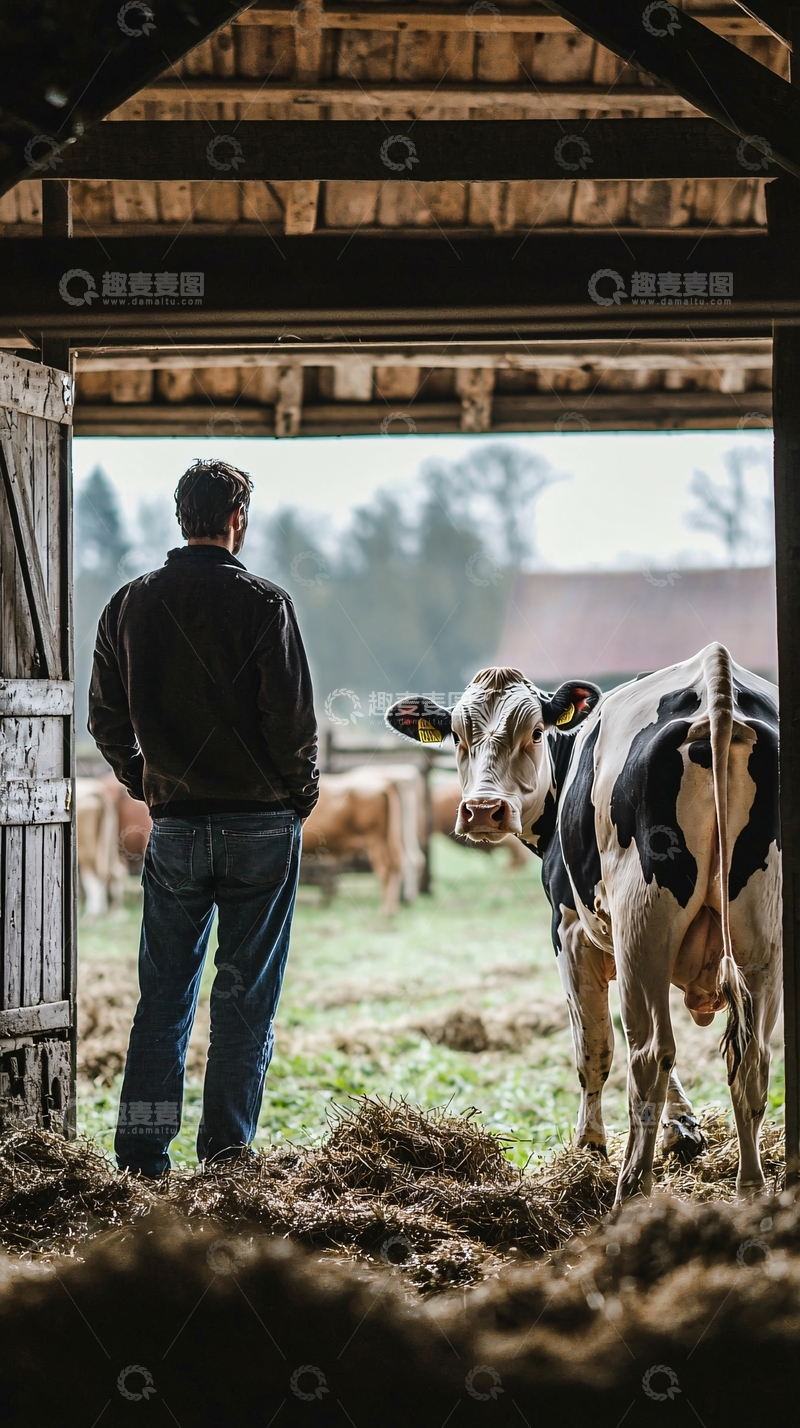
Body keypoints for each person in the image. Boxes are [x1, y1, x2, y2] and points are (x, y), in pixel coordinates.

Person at [88, 459, 318, 1176]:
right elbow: (293, 725)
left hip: (178, 827)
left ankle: (143, 1152)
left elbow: (103, 720)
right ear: (237, 520)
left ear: (180, 515)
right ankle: (224, 1155)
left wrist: (148, 784)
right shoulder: (266, 604)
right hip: (260, 825)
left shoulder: (128, 605)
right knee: (245, 1001)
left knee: (162, 1000)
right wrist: (294, 798)